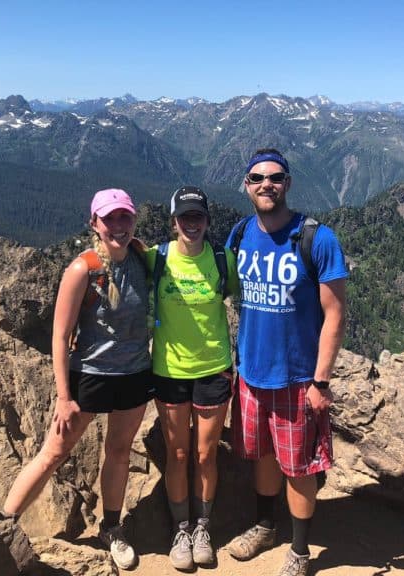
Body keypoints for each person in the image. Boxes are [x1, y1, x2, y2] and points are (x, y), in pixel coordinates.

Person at [3, 188, 151, 570]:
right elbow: (59, 334)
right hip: (89, 377)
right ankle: (2, 528)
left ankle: (112, 527)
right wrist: (63, 396)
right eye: (110, 218)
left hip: (134, 373)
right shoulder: (81, 269)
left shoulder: (140, 256)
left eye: (124, 217)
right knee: (53, 453)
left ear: (134, 219)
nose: (118, 225)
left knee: (119, 452)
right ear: (94, 224)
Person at [225, 149, 348, 576]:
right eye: (257, 178)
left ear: (288, 183)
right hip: (252, 374)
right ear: (246, 185)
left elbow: (335, 313)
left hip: (298, 378)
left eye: (275, 178)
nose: (266, 185)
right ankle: (264, 525)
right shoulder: (240, 235)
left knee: (298, 467)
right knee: (262, 456)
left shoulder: (317, 238)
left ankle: (299, 550)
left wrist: (321, 381)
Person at [148, 186, 238, 570]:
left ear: (206, 220)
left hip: (213, 368)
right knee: (178, 453)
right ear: (173, 221)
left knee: (205, 454)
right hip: (169, 370)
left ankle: (202, 527)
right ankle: (180, 529)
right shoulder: (156, 258)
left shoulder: (222, 258)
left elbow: (239, 298)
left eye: (198, 216)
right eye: (185, 217)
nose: (192, 224)